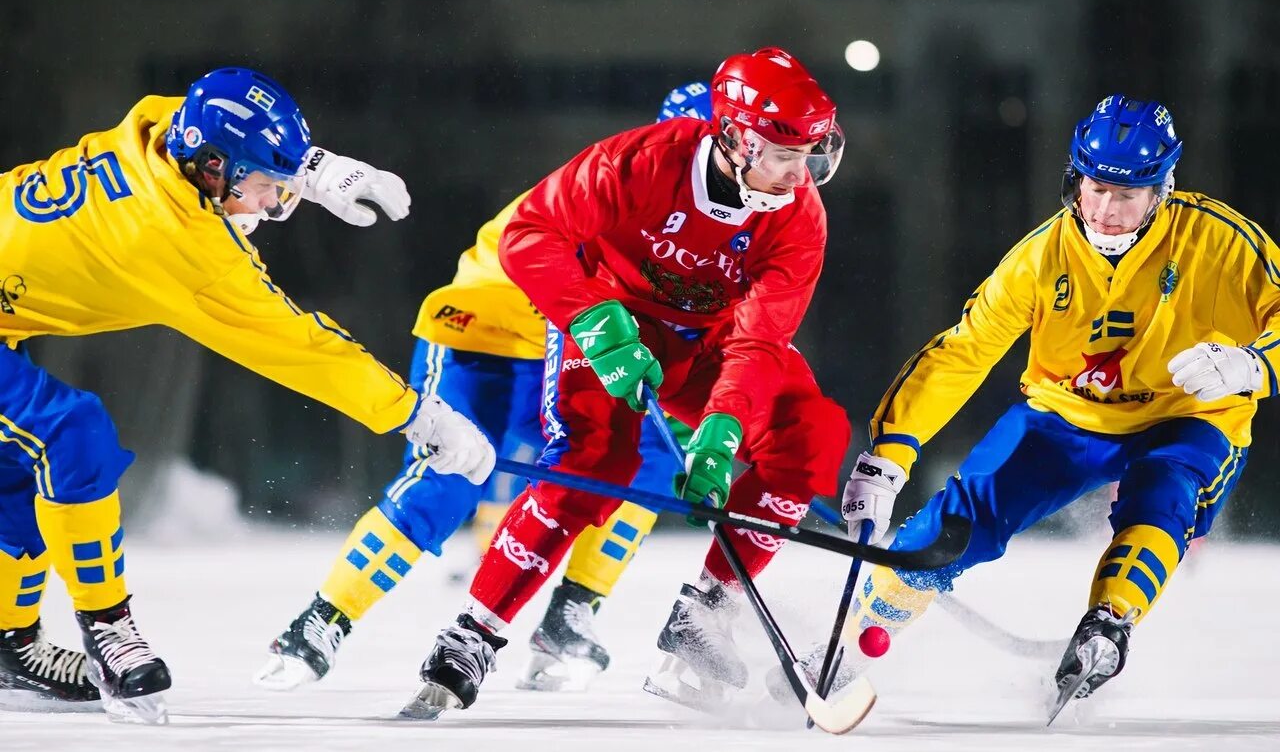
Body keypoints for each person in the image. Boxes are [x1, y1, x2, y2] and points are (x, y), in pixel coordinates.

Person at [0, 67, 494, 723]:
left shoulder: (151, 133)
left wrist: (310, 167)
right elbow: (300, 347)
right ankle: (108, 627)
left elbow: (205, 113)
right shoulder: (179, 244)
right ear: (212, 170)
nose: (272, 203)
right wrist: (417, 414)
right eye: (265, 185)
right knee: (71, 434)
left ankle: (10, 638)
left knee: (17, 468)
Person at [406, 47, 852, 718]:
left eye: (811, 153)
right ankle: (475, 631)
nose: (800, 174)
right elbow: (529, 234)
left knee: (810, 433)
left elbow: (761, 335)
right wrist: (595, 325)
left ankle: (704, 617)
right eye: (782, 153)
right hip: (614, 326)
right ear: (732, 135)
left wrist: (721, 427)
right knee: (596, 457)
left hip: (711, 345)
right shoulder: (636, 162)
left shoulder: (799, 216)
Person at [255, 83, 713, 695]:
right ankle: (321, 621)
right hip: (489, 337)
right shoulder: (620, 184)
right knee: (451, 474)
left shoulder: (717, 221)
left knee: (649, 461)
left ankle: (570, 613)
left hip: (575, 344)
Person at [834, 94, 1268, 709]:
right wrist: (891, 450)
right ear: (1074, 180)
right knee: (953, 526)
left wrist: (1254, 363)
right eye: (1095, 190)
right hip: (1066, 415)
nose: (1107, 211)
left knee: (1161, 496)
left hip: (1188, 415)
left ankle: (1108, 625)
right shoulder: (1040, 256)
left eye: (1128, 195)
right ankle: (852, 643)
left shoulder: (1221, 240)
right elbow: (964, 352)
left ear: (1163, 190)